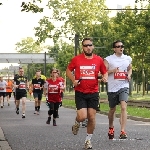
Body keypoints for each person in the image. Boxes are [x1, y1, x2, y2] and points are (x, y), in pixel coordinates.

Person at [66, 37, 108, 149]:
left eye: (90, 45)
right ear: (82, 47)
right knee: (82, 116)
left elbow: (105, 72)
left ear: (93, 46)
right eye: (85, 45)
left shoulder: (99, 59)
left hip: (93, 92)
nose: (88, 47)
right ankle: (77, 121)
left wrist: (105, 77)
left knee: (92, 117)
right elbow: (68, 70)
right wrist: (73, 80)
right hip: (80, 91)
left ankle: (88, 141)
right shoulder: (76, 59)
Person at [104, 40, 132, 139]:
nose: (121, 48)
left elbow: (129, 68)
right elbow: (104, 71)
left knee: (123, 107)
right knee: (112, 109)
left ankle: (123, 131)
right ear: (114, 48)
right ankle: (111, 127)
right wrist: (112, 70)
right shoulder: (108, 59)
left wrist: (128, 75)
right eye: (118, 46)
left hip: (124, 86)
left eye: (122, 46)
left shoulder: (127, 58)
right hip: (112, 88)